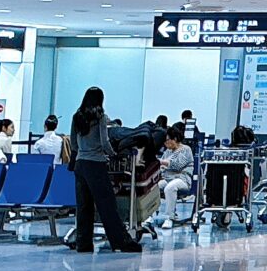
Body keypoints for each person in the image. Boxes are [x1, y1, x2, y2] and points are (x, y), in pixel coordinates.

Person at [64, 87, 141, 253]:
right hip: (96, 165)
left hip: (80, 165)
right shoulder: (100, 117)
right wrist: (113, 154)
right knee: (107, 205)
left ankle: (83, 244)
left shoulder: (76, 117)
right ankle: (121, 242)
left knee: (83, 206)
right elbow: (105, 142)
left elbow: (74, 143)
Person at [155, 128, 197, 226]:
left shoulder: (186, 149)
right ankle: (148, 217)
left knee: (170, 188)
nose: (165, 143)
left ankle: (169, 217)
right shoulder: (167, 152)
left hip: (182, 179)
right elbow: (162, 167)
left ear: (175, 139)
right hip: (167, 178)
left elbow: (177, 165)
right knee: (153, 187)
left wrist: (161, 162)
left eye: (167, 140)